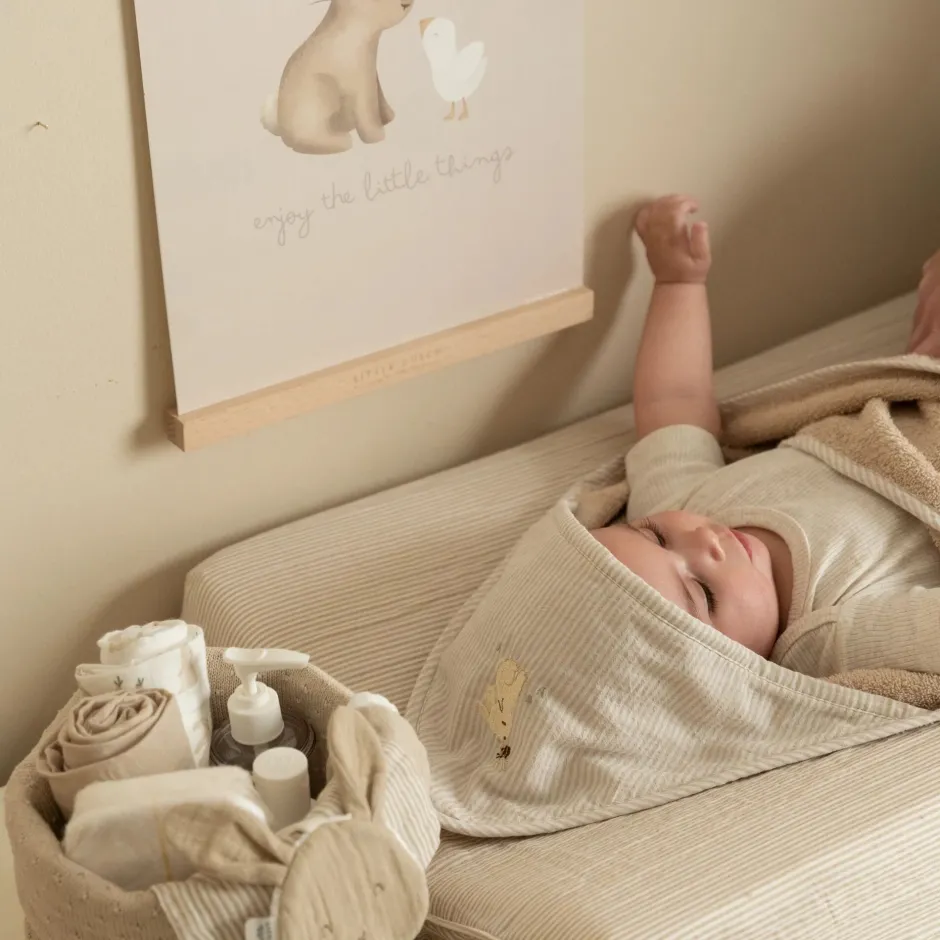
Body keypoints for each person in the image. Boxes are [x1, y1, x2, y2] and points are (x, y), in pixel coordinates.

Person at [590, 195, 940, 660]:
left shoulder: (684, 504)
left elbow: (673, 400)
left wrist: (676, 281)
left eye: (655, 535)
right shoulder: (825, 637)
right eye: (704, 593)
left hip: (912, 396)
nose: (704, 542)